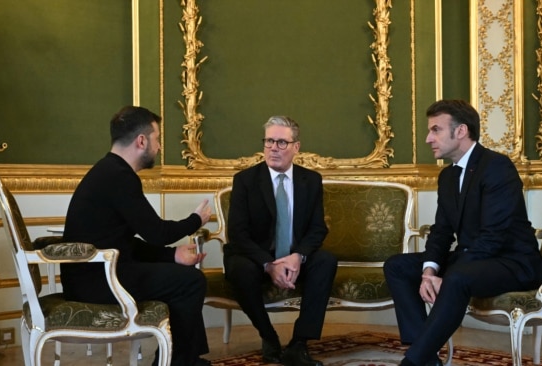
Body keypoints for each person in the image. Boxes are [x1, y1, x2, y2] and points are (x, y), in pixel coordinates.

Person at [383, 100, 542, 366]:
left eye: (436, 130)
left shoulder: (497, 166)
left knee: (458, 277)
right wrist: (429, 271)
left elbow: (493, 236)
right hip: (474, 260)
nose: (428, 138)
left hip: (514, 262)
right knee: (398, 266)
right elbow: (441, 231)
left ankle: (413, 362)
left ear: (461, 131)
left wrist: (447, 275)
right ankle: (424, 356)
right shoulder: (447, 177)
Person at [60, 106, 212, 366]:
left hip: (95, 274)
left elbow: (124, 242)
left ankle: (185, 358)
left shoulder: (109, 171)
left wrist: (172, 255)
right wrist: (196, 220)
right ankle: (178, 362)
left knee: (184, 279)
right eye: (158, 139)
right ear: (141, 141)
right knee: (191, 282)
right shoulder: (119, 177)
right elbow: (157, 232)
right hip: (98, 281)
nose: (160, 147)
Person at [223, 116, 337, 366]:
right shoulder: (246, 180)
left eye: (282, 142)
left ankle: (299, 344)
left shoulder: (311, 180)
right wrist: (268, 264)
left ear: (296, 147)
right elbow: (238, 233)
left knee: (326, 261)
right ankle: (268, 336)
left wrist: (298, 256)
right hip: (255, 257)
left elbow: (318, 228)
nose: (274, 148)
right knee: (238, 268)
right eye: (269, 141)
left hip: (295, 257)